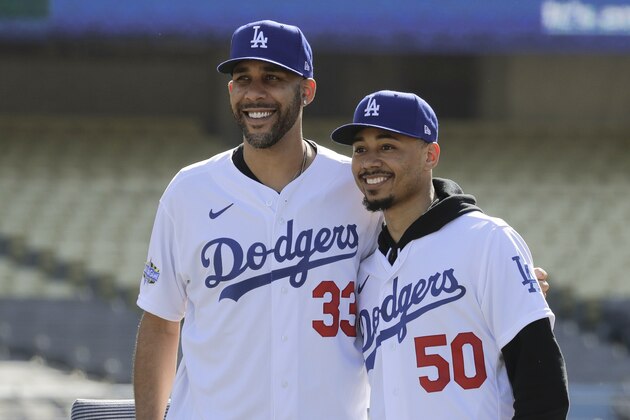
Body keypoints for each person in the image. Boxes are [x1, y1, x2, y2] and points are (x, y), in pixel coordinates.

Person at [132, 20, 550, 420]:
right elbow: (161, 322)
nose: (255, 93)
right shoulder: (189, 192)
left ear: (307, 90)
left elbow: (423, 241)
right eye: (243, 78)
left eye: (273, 79)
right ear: (230, 89)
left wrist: (503, 279)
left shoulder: (356, 186)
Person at [331, 90, 570, 419]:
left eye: (387, 146)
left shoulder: (486, 241)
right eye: (361, 149)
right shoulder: (364, 268)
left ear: (430, 155)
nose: (370, 161)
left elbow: (543, 387)